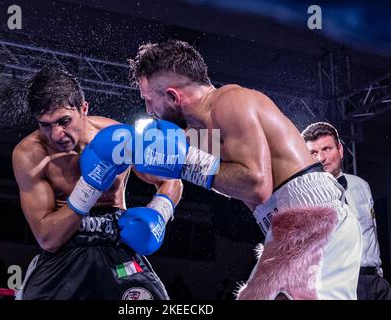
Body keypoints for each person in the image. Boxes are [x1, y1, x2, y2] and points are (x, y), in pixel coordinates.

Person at [120, 39, 363, 300]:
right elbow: (172, 172)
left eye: (148, 99)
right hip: (285, 228)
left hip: (317, 219)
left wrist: (183, 163)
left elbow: (256, 185)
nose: (148, 110)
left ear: (172, 96)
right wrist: (135, 153)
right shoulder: (201, 132)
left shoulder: (229, 103)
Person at [12, 66, 183, 300]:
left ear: (84, 108)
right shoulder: (31, 154)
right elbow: (48, 239)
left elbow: (171, 180)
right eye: (45, 124)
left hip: (118, 247)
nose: (56, 134)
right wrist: (90, 185)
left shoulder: (117, 135)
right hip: (64, 254)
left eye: (64, 121)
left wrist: (159, 214)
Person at [302, 121, 391, 300]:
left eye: (327, 149)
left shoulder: (361, 185)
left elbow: (371, 231)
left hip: (375, 283)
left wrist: (378, 273)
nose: (321, 158)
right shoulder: (304, 197)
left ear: (340, 150)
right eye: (313, 153)